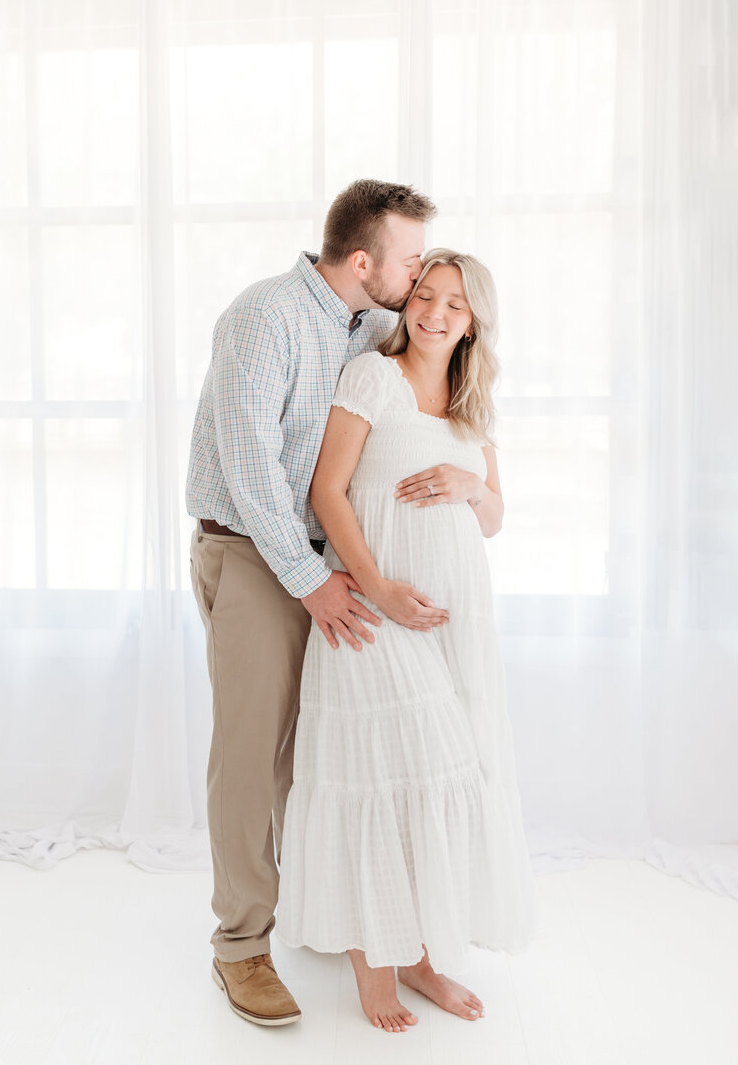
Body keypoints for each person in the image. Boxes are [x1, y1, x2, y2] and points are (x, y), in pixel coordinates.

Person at [186, 179, 439, 1027]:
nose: (417, 273)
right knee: (252, 756)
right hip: (255, 552)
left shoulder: (368, 327)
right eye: (409, 260)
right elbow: (250, 464)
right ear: (361, 260)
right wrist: (312, 578)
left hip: (324, 560)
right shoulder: (264, 316)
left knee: (321, 746)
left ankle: (312, 904)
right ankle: (241, 947)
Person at [276, 249, 536, 1032]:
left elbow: (493, 518)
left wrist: (472, 486)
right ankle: (376, 972)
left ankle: (420, 953)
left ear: (473, 322)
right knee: (378, 783)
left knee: (441, 780)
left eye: (454, 304)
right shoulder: (372, 379)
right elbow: (327, 489)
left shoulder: (469, 404)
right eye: (424, 295)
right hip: (371, 615)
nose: (433, 312)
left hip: (451, 627)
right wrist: (379, 588)